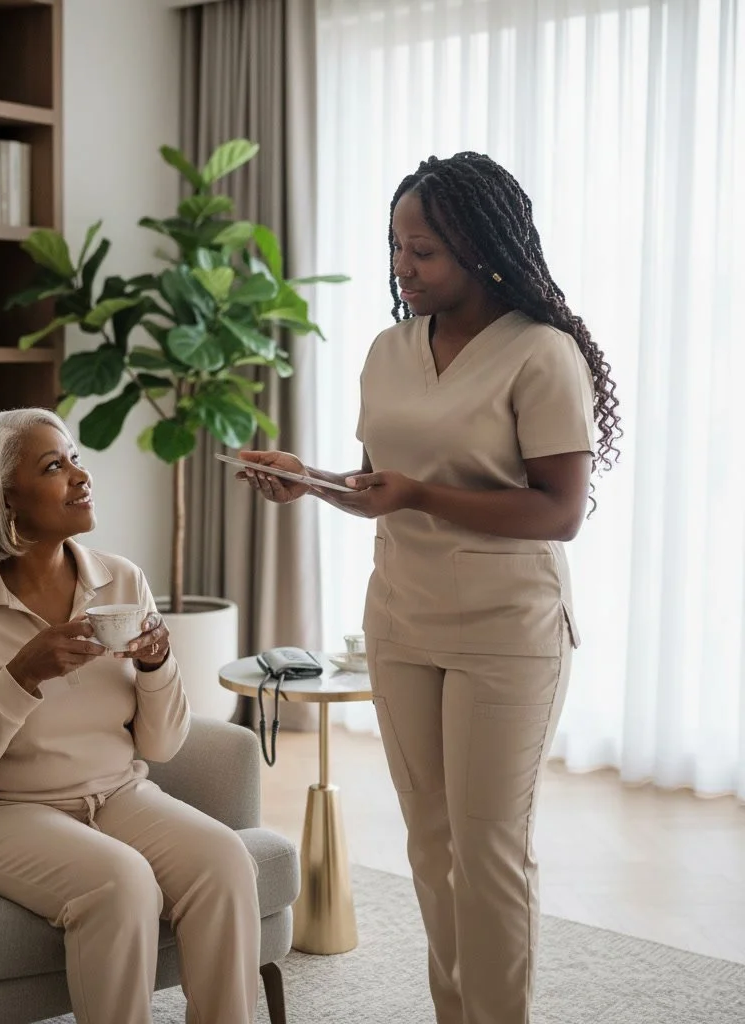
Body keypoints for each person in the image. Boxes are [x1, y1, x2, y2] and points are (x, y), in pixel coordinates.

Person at [237, 152, 620, 1024]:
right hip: (403, 620)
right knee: (430, 843)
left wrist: (416, 495)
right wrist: (310, 480)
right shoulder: (387, 350)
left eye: (425, 252)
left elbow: (558, 512)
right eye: (398, 249)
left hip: (506, 628)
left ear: (483, 251)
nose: (404, 268)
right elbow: (381, 486)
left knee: (488, 848)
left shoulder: (542, 352)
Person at [0, 408, 261, 1024]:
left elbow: (163, 744)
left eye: (75, 458)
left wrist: (156, 666)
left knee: (225, 860)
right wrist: (21, 677)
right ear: (3, 499)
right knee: (120, 880)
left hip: (114, 793)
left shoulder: (123, 580)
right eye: (54, 465)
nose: (80, 475)